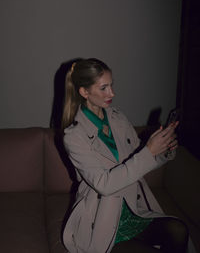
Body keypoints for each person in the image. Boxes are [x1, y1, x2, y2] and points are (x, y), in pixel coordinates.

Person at [61, 58, 189, 253]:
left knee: (179, 230)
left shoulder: (117, 118)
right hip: (100, 219)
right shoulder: (73, 137)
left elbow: (139, 161)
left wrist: (163, 149)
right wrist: (149, 151)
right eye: (103, 88)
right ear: (84, 92)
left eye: (111, 85)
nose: (112, 93)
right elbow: (104, 184)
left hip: (131, 209)